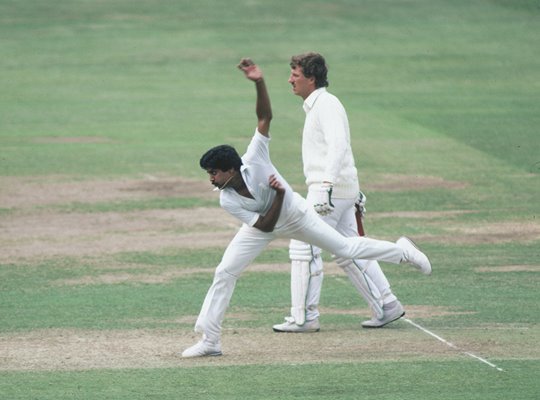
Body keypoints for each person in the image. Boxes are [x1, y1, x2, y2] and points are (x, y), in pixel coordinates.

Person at [181, 58, 431, 358]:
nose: (210, 178)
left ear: (231, 169)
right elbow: (264, 226)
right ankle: (210, 340)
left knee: (346, 249)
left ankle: (403, 252)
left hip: (297, 216)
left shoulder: (256, 157)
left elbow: (264, 117)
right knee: (225, 271)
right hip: (264, 223)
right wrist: (276, 197)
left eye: (214, 173)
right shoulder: (227, 198)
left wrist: (259, 82)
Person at [272, 52, 411, 333]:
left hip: (329, 192)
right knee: (348, 251)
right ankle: (386, 304)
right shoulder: (318, 105)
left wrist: (326, 186)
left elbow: (339, 146)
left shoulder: (327, 104)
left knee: (304, 247)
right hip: (339, 190)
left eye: (295, 75)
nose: (290, 80)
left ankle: (304, 318)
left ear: (311, 79)